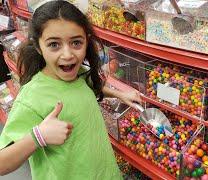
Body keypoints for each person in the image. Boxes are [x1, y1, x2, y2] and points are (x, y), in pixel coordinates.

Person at [0, 1, 141, 179]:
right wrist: (38, 136)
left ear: (86, 41)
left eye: (76, 43)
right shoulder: (31, 98)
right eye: (54, 45)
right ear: (38, 46)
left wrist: (121, 94)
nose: (67, 54)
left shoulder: (79, 73)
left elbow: (90, 86)